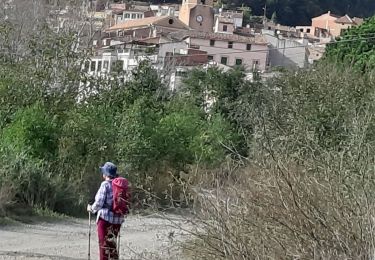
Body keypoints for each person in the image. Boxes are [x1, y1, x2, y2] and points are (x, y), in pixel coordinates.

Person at [87, 162, 125, 260]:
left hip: (105, 220)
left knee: (103, 246)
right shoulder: (120, 186)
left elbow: (99, 202)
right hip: (117, 220)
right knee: (112, 245)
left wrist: (91, 209)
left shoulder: (105, 185)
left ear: (105, 174)